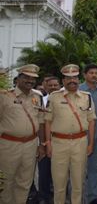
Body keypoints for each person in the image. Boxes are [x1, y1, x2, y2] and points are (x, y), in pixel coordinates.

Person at [45, 64, 96, 204]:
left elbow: (91, 121)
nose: (72, 81)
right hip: (59, 144)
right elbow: (48, 121)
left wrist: (91, 144)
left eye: (74, 77)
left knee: (78, 184)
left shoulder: (87, 97)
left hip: (80, 143)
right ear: (63, 81)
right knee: (59, 184)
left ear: (79, 79)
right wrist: (48, 143)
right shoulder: (54, 97)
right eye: (68, 78)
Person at [0, 64, 45, 204]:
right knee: (6, 181)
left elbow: (41, 121)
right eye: (26, 77)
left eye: (33, 78)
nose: (30, 81)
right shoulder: (4, 96)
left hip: (31, 145)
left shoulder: (38, 97)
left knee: (25, 182)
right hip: (8, 145)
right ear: (18, 78)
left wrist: (42, 145)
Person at [79, 64, 97, 204]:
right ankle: (78, 196)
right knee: (78, 168)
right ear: (85, 74)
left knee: (94, 168)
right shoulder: (78, 90)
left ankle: (93, 196)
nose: (94, 75)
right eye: (91, 73)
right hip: (80, 135)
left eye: (96, 73)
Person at [38, 76, 61, 204]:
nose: (53, 88)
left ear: (59, 86)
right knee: (44, 170)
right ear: (45, 87)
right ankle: (44, 197)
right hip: (44, 140)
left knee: (60, 172)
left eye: (55, 85)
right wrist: (43, 143)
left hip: (59, 141)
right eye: (50, 85)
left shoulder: (65, 100)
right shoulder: (40, 101)